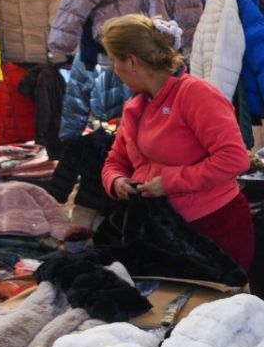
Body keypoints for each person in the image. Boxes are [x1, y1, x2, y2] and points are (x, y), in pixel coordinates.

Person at [99, 14, 254, 271]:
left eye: (115, 61)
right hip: (157, 230)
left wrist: (170, 182)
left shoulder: (196, 94)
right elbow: (114, 162)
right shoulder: (135, 106)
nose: (115, 70)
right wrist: (116, 182)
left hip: (212, 229)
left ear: (133, 61)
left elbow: (235, 159)